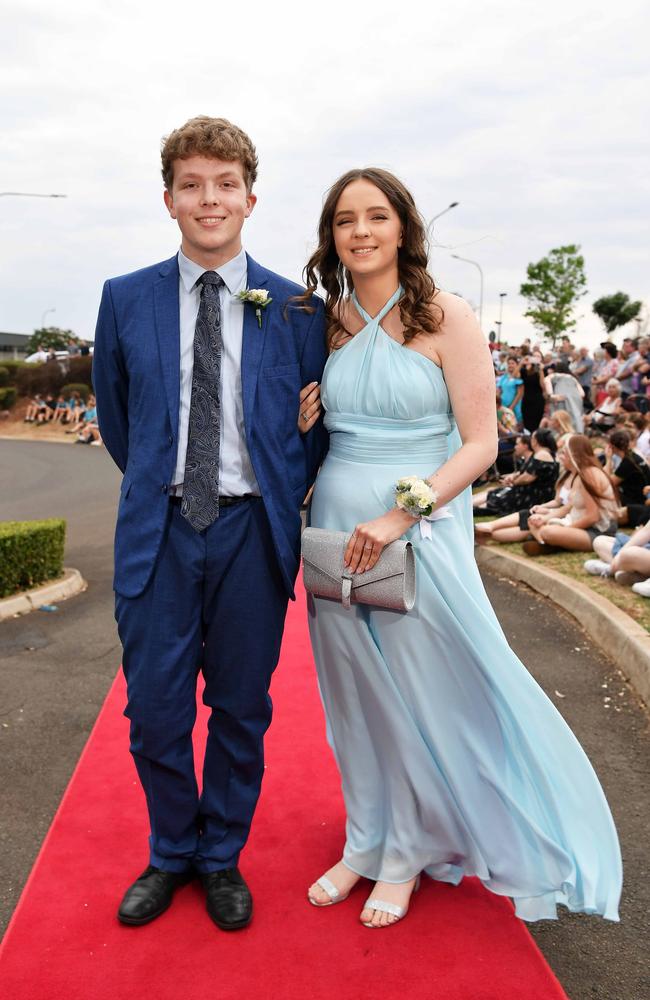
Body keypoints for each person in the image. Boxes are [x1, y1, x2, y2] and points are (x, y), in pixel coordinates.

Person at [301, 167, 621, 928]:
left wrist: (400, 516)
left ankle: (410, 850)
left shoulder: (448, 314)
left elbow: (481, 445)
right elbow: (327, 429)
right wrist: (303, 419)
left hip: (418, 528)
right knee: (354, 695)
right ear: (331, 236)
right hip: (334, 527)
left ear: (405, 227)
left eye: (376, 216)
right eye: (345, 220)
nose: (361, 232)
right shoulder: (328, 319)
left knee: (423, 693)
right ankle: (366, 837)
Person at [93, 116, 327, 932]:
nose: (209, 198)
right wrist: (171, 482)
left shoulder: (300, 308)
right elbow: (122, 422)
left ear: (251, 198)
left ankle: (221, 854)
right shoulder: (124, 298)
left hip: (251, 533)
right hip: (159, 529)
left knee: (240, 706)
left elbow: (314, 428)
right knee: (154, 708)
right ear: (168, 200)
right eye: (192, 184)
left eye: (225, 184)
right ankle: (169, 851)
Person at [522, 434, 618, 555]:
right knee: (534, 522)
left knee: (548, 532)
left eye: (565, 453)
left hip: (598, 532)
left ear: (574, 455)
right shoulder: (581, 474)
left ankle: (548, 543)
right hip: (579, 524)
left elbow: (593, 517)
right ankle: (551, 544)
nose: (562, 457)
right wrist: (545, 519)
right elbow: (568, 507)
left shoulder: (589, 475)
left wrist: (566, 529)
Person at [472, 429, 558, 516]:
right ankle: (470, 507)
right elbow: (526, 473)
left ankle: (471, 509)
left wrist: (512, 482)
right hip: (529, 493)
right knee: (493, 495)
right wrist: (513, 478)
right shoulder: (542, 453)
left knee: (495, 501)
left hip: (533, 497)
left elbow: (527, 478)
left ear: (535, 441)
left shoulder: (542, 454)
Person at [546, 361, 584, 432]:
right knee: (575, 418)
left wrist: (551, 395)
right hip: (576, 398)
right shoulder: (572, 377)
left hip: (561, 397)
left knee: (560, 419)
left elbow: (546, 380)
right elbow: (582, 394)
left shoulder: (555, 375)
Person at [519, 354, 547, 432]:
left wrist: (541, 370)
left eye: (538, 357)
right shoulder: (524, 371)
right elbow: (514, 376)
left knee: (536, 423)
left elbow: (543, 386)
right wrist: (522, 363)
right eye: (534, 356)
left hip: (537, 401)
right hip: (526, 400)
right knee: (526, 422)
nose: (535, 359)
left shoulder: (543, 370)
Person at [496, 356, 523, 425]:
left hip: (514, 407)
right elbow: (499, 390)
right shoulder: (504, 377)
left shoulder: (519, 377)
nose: (510, 365)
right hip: (503, 406)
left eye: (512, 363)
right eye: (509, 363)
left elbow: (519, 394)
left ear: (517, 365)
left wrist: (511, 407)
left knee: (514, 425)